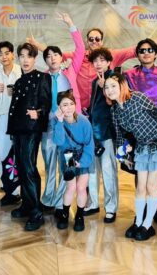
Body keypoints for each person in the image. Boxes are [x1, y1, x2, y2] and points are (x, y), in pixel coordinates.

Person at [104, 73, 157, 241]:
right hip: (142, 148)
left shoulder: (137, 97)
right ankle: (138, 222)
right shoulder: (114, 110)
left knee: (152, 187)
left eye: (113, 86)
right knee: (140, 188)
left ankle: (147, 225)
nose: (109, 90)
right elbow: (120, 135)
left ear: (122, 86)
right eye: (106, 87)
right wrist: (123, 154)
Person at [27, 19, 137, 110]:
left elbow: (132, 51)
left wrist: (146, 48)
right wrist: (36, 44)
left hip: (103, 105)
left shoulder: (111, 54)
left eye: (97, 39)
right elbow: (56, 55)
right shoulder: (78, 56)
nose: (94, 41)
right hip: (80, 106)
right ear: (87, 41)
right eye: (91, 39)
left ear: (102, 41)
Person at [124, 38, 157, 228]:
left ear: (156, 53)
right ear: (137, 54)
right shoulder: (129, 75)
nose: (146, 53)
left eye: (150, 50)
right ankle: (142, 211)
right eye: (142, 50)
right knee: (141, 170)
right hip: (137, 128)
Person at [40, 12, 84, 214]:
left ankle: (60, 203)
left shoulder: (70, 71)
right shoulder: (42, 78)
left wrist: (70, 24)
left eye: (55, 55)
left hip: (69, 127)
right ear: (46, 61)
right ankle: (48, 199)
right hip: (49, 126)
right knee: (49, 164)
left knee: (66, 165)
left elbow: (80, 49)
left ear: (61, 57)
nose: (52, 58)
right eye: (48, 56)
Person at [8, 43, 52, 231]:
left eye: (29, 56)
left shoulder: (42, 78)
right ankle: (26, 204)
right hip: (18, 129)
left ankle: (36, 211)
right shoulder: (19, 81)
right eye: (22, 56)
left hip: (32, 129)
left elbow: (47, 103)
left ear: (35, 58)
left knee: (29, 168)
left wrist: (39, 112)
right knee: (21, 167)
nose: (25, 60)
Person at [52, 91, 94, 232]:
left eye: (71, 104)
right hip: (68, 156)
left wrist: (82, 162)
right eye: (65, 105)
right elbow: (59, 142)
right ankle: (64, 214)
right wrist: (59, 122)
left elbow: (89, 144)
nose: (69, 107)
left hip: (83, 155)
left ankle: (79, 216)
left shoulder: (84, 121)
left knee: (81, 187)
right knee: (71, 187)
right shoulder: (56, 121)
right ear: (59, 107)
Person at [85, 48, 119, 222]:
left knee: (108, 171)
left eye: (102, 60)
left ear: (109, 62)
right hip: (93, 133)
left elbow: (117, 103)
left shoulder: (115, 79)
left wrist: (105, 87)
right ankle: (93, 203)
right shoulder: (94, 81)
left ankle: (111, 207)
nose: (98, 64)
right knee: (92, 171)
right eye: (95, 61)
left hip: (107, 132)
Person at [0, 41, 22, 206]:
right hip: (2, 117)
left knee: (18, 153)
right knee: (3, 153)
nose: (4, 57)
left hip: (19, 118)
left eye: (7, 53)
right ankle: (9, 189)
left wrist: (17, 92)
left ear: (12, 54)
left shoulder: (21, 71)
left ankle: (18, 189)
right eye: (0, 54)